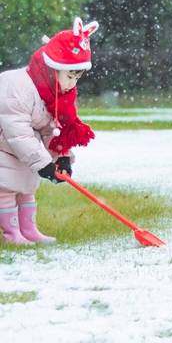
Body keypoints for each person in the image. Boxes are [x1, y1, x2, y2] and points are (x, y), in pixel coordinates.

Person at [0, 17, 99, 245]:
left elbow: (52, 130)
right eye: (69, 76)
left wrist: (61, 158)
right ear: (53, 69)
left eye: (77, 77)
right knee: (6, 187)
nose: (72, 84)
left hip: (21, 149)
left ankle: (29, 229)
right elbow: (19, 133)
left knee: (26, 187)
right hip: (6, 144)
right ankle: (11, 234)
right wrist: (43, 163)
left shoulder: (55, 94)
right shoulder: (17, 88)